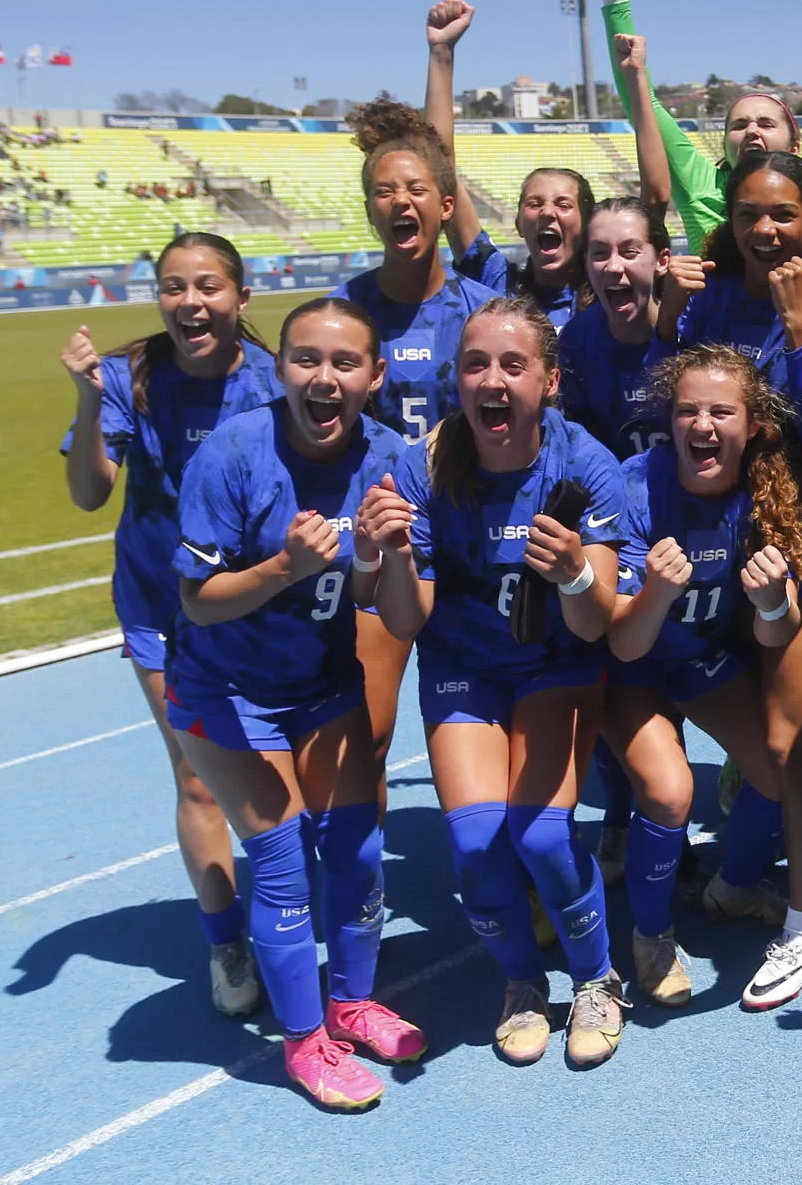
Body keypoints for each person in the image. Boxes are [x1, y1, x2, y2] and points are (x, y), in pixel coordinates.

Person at [362, 295, 629, 1068]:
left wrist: (576, 571)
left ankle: (595, 978)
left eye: (514, 364)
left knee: (542, 835)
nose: (491, 378)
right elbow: (406, 623)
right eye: (475, 363)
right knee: (477, 846)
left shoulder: (584, 466)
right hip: (465, 671)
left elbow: (594, 624)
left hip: (556, 666)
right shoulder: (423, 467)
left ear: (548, 381)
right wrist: (394, 558)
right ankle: (521, 982)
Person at [169, 296, 422, 1111]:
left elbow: (398, 613)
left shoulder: (389, 458)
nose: (325, 376)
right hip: (225, 686)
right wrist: (281, 567)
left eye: (345, 362)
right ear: (279, 369)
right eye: (306, 358)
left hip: (319, 682)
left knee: (354, 846)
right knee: (280, 860)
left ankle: (349, 1002)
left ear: (375, 376)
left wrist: (388, 557)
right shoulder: (235, 453)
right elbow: (198, 600)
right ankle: (306, 1043)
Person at [660, 148, 802, 1004]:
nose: (765, 230)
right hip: (714, 535)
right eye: (750, 213)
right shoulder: (709, 297)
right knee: (767, 713)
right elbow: (673, 404)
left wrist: (801, 327)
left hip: (792, 536)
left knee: (791, 724)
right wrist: (668, 313)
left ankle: (796, 914)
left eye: (784, 214)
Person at [59, 231, 281, 1018]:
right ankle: (226, 940)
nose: (192, 301)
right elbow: (90, 492)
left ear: (240, 298)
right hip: (159, 609)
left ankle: (286, 908)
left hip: (256, 605)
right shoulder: (128, 378)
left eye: (209, 286)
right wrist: (89, 400)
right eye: (175, 287)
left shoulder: (270, 381)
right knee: (196, 776)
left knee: (276, 776)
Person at [605, 344, 802, 1008]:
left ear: (752, 426)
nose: (702, 424)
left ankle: (734, 885)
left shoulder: (766, 492)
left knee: (780, 774)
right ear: (669, 421)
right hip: (630, 667)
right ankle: (651, 935)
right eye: (687, 410)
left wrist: (773, 603)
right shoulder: (633, 486)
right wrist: (656, 594)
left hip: (704, 661)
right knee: (669, 794)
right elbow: (626, 643)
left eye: (722, 411)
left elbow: (777, 632)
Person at [331, 96, 499, 770]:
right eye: (383, 191)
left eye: (416, 190)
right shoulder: (345, 313)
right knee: (367, 733)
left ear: (446, 204)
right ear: (369, 207)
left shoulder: (482, 312)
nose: (401, 202)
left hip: (478, 543)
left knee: (500, 714)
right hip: (386, 540)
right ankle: (361, 880)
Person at [578, 0, 802, 251]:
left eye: (766, 124)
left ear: (795, 145)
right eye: (739, 125)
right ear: (725, 145)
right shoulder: (699, 184)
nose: (752, 131)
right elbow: (642, 103)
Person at [554, 192, 674, 882]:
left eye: (629, 249)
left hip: (704, 533)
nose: (613, 265)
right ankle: (626, 817)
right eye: (599, 252)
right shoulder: (578, 343)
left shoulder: (693, 328)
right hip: (624, 540)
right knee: (617, 676)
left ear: (660, 257)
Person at [423, 0, 593, 327]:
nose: (547, 212)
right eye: (534, 203)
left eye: (563, 204)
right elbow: (438, 170)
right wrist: (441, 53)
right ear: (518, 224)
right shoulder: (499, 284)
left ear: (588, 222)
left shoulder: (609, 292)